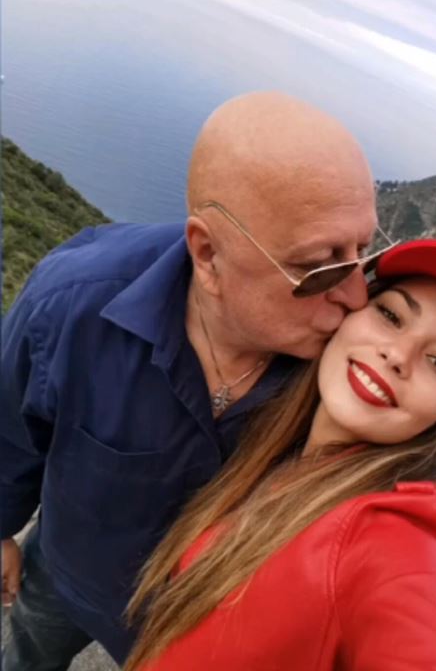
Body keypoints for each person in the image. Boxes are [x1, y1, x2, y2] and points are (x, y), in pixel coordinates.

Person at [1, 91, 394, 668]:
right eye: (321, 268)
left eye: (364, 253)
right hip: (67, 582)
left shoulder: (354, 353)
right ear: (208, 254)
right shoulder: (73, 306)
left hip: (204, 630)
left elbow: (421, 485)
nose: (356, 295)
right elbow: (12, 424)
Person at [124, 239, 436, 671]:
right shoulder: (276, 444)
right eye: (390, 315)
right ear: (348, 315)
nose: (397, 355)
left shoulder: (394, 536)